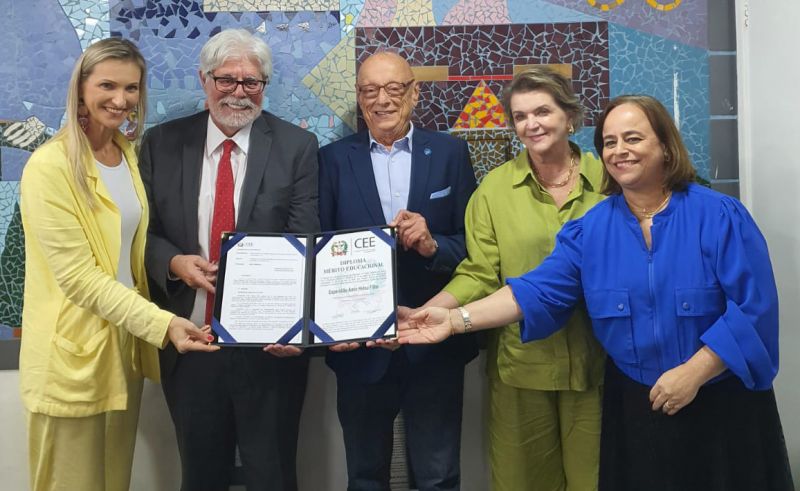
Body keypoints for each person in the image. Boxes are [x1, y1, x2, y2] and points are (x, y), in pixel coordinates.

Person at [399, 95, 794, 491]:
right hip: (639, 408)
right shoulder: (591, 230)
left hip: (719, 405)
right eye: (609, 142)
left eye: (633, 139)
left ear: (665, 145)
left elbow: (753, 309)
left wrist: (694, 373)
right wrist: (452, 320)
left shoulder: (720, 216)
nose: (620, 151)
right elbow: (534, 292)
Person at [18, 38, 218, 491]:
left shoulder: (124, 154)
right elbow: (80, 278)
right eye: (107, 85)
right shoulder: (50, 167)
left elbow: (129, 247)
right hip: (72, 356)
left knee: (113, 483)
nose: (120, 100)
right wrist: (164, 323)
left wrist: (175, 262)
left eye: (132, 88)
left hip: (121, 352)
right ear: (81, 88)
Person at [140, 29, 319, 490]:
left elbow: (304, 241)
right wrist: (175, 262)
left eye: (252, 82)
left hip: (269, 347)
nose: (239, 92)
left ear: (264, 85)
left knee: (273, 474)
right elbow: (146, 234)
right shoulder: (161, 144)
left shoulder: (296, 146)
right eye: (227, 80)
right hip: (191, 340)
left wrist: (292, 325)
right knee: (200, 475)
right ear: (204, 79)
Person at [414, 67, 606, 490]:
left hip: (599, 362)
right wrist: (432, 311)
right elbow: (479, 273)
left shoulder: (609, 181)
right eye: (520, 116)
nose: (531, 124)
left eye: (542, 111)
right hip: (521, 366)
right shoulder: (494, 191)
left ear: (569, 115)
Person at [318, 51, 477, 490]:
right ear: (359, 97)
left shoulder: (450, 153)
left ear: (414, 92)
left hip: (434, 344)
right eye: (370, 90)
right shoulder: (331, 160)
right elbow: (317, 250)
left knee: (439, 475)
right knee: (365, 475)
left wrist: (431, 245)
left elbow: (476, 249)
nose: (382, 100)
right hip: (360, 347)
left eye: (393, 89)